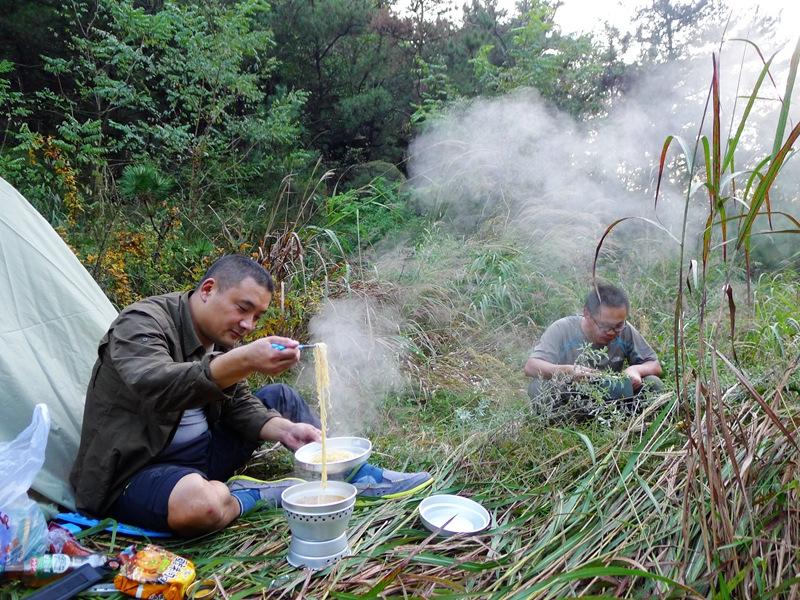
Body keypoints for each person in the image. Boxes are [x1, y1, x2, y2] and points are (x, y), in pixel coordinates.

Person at [70, 255, 432, 536]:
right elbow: (155, 385)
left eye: (257, 317)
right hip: (137, 471)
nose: (248, 325)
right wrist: (242, 359)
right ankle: (252, 495)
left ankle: (348, 473)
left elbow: (238, 402)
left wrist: (283, 431)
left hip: (204, 457)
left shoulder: (218, 337)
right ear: (208, 289)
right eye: (243, 309)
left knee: (282, 400)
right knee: (203, 507)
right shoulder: (142, 322)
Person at [523, 282, 663, 421]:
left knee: (653, 383)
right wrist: (568, 371)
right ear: (587, 314)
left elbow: (654, 365)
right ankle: (563, 429)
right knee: (539, 386)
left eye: (618, 326)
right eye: (605, 326)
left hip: (612, 402)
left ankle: (633, 426)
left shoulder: (625, 330)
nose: (612, 332)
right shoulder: (563, 328)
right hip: (570, 402)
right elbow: (531, 366)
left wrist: (636, 370)